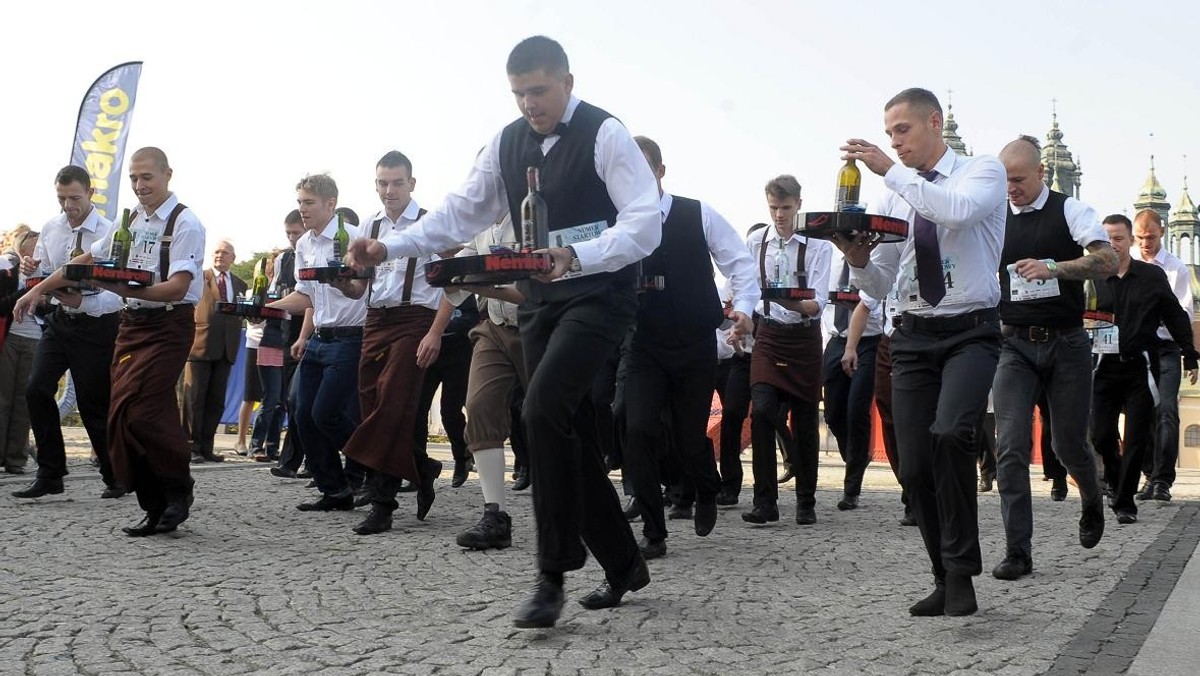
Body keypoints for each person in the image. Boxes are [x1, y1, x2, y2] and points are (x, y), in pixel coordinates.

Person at [347, 36, 658, 629]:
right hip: (540, 303)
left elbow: (644, 225)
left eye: (538, 92)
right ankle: (624, 564)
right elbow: (458, 215)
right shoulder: (506, 143)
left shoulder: (607, 133)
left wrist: (576, 254)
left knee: (539, 411)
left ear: (567, 81)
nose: (528, 105)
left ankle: (551, 574)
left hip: (599, 296)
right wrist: (388, 246)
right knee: (565, 432)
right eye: (518, 94)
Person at [834, 88, 1010, 617]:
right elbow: (882, 280)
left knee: (953, 433)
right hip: (910, 334)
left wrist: (889, 170)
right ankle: (944, 573)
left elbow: (953, 213)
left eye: (902, 130)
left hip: (971, 331)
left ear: (935, 123)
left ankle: (961, 570)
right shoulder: (893, 196)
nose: (895, 142)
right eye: (889, 134)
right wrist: (860, 259)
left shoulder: (981, 172)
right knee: (912, 464)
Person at [16, 147, 207, 536]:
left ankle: (177, 489)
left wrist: (120, 288)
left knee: (145, 410)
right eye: (134, 178)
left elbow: (179, 288)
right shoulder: (132, 220)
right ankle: (155, 506)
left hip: (169, 326)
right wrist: (35, 292)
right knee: (121, 415)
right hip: (132, 325)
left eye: (147, 178)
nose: (139, 185)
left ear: (167, 175)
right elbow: (88, 259)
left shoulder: (186, 222)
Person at [621, 135, 758, 557]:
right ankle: (653, 532)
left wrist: (747, 310)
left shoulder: (697, 213)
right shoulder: (616, 222)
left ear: (661, 171)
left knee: (687, 436)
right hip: (643, 343)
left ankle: (706, 485)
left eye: (645, 170)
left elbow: (739, 262)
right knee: (637, 427)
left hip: (695, 342)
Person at [989, 135, 1116, 582]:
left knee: (1066, 445)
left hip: (1066, 344)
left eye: (1019, 180)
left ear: (1041, 173)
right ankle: (1017, 551)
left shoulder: (1069, 210)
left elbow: (1107, 259)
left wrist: (1054, 268)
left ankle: (1092, 497)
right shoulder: (994, 216)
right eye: (1004, 181)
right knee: (1011, 446)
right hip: (1014, 345)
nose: (1011, 189)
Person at [333, 151, 451, 535]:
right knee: (374, 407)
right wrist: (340, 282)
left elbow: (455, 283)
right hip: (376, 320)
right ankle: (422, 466)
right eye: (382, 182)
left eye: (397, 182)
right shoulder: (370, 224)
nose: (389, 190)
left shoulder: (430, 224)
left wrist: (435, 332)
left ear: (412, 183)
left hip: (414, 320)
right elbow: (358, 288)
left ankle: (382, 503)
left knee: (391, 403)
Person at [13, 166, 124, 498]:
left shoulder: (110, 230)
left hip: (98, 324)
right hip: (60, 322)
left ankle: (114, 473)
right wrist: (31, 269)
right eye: (61, 198)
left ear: (90, 193)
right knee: (36, 390)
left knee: (94, 404)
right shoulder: (50, 228)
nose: (68, 205)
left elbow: (120, 291)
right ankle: (50, 473)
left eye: (74, 198)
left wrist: (82, 302)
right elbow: (47, 273)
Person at [1092, 213, 1198, 523]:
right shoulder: (1094, 278)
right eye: (1107, 239)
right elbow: (1077, 317)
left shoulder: (1152, 276)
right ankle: (1114, 480)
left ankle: (1126, 500)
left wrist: (1189, 353)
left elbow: (1176, 314)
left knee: (1140, 432)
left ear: (1129, 241)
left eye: (1119, 238)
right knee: (1101, 435)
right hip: (1103, 366)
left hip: (1143, 363)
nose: (1114, 244)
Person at [268, 174, 366, 512]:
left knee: (325, 413)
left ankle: (375, 465)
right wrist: (267, 308)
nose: (302, 209)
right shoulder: (305, 245)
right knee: (300, 412)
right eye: (300, 202)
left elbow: (363, 290)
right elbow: (304, 296)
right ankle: (335, 490)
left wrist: (345, 285)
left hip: (351, 337)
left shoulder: (355, 239)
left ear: (330, 203)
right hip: (319, 339)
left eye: (308, 203)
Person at [742, 175, 832, 527]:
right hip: (768, 335)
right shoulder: (755, 241)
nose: (779, 215)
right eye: (773, 208)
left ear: (798, 204)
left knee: (806, 421)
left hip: (804, 338)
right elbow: (746, 286)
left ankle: (805, 501)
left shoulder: (818, 246)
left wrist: (783, 299)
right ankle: (765, 501)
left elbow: (816, 306)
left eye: (785, 208)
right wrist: (742, 317)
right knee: (762, 412)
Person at [452, 214, 531, 550]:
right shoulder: (481, 224)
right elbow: (460, 263)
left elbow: (542, 288)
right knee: (480, 406)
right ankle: (494, 515)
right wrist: (442, 263)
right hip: (494, 327)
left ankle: (582, 510)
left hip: (537, 326)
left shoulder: (532, 213)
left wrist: (484, 287)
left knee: (556, 416)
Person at [1131, 210, 1194, 502]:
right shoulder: (1126, 263)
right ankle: (1148, 475)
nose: (1146, 243)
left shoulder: (1176, 268)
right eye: (1141, 238)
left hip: (1166, 349)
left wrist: (1190, 353)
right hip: (1135, 350)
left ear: (1163, 232)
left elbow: (1184, 315)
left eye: (1152, 237)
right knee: (1140, 413)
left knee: (1166, 410)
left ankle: (1163, 480)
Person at [822, 256, 884, 511]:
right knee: (834, 414)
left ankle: (851, 488)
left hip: (870, 341)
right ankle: (856, 458)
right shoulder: (827, 256)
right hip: (836, 339)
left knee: (857, 410)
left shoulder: (875, 258)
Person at [183, 240, 246, 463]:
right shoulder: (199, 278)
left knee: (216, 400)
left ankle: (207, 447)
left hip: (227, 349)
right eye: (217, 252)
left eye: (225, 252)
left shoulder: (240, 284)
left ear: (233, 258)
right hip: (200, 345)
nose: (220, 256)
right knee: (194, 399)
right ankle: (191, 447)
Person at [269, 211, 308, 478]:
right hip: (288, 334)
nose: (293, 238)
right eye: (289, 233)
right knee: (293, 400)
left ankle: (304, 461)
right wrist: (266, 308)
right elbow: (277, 291)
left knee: (304, 401)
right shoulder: (285, 258)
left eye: (297, 233)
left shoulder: (318, 250)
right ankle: (291, 461)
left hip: (313, 332)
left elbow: (310, 299)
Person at [0, 228, 40, 475]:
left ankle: (16, 459)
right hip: (10, 340)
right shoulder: (8, 272)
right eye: (34, 247)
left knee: (24, 402)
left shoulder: (49, 275)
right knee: (2, 399)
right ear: (23, 249)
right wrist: (24, 294)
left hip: (36, 341)